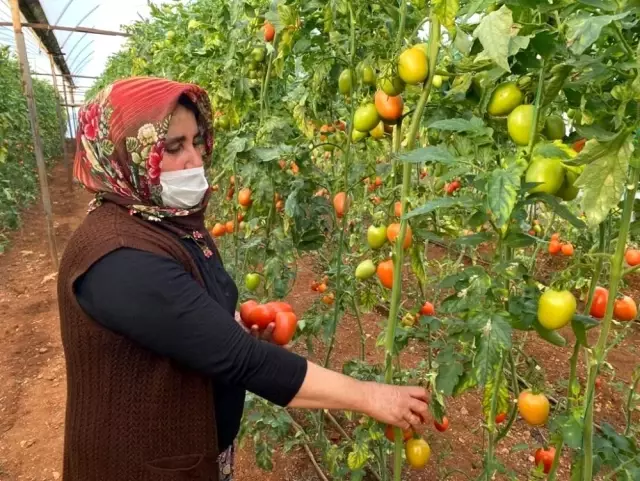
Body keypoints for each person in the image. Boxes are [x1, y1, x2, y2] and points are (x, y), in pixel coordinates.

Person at [57, 77, 429, 481]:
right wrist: (370, 395)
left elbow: (192, 328)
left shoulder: (163, 224)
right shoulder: (119, 258)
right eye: (173, 147)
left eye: (196, 141)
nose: (195, 160)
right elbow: (240, 359)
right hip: (138, 467)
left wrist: (229, 326)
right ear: (123, 153)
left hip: (184, 450)